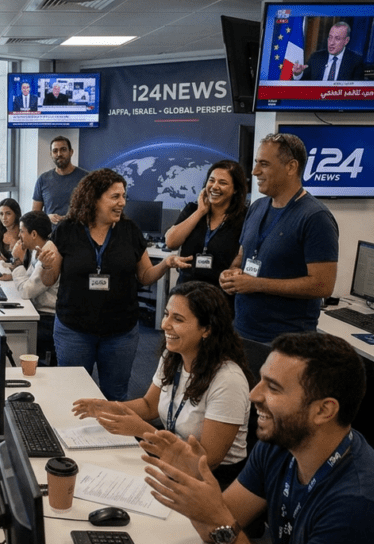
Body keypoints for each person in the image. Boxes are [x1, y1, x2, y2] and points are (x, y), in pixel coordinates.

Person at [139, 332, 374, 544]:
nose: (254, 395)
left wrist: (218, 520)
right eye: (261, 381)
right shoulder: (279, 445)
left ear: (323, 411)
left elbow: (221, 527)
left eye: (273, 388)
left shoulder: (359, 508)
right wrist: (197, 483)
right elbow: (214, 530)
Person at [72, 281, 252, 488]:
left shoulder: (228, 380)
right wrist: (111, 408)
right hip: (170, 457)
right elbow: (149, 405)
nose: (165, 324)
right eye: (167, 314)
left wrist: (144, 431)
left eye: (178, 319)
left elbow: (207, 462)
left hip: (212, 478)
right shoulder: (173, 356)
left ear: (206, 329)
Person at [41, 169, 191, 400]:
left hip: (120, 332)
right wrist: (47, 266)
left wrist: (166, 264)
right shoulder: (67, 230)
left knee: (115, 395)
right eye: (115, 197)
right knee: (73, 395)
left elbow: (145, 276)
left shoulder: (129, 231)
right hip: (74, 329)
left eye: (123, 196)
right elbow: (48, 280)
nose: (122, 202)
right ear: (93, 198)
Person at [218, 133, 338, 344]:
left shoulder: (315, 217)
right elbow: (243, 254)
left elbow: (322, 286)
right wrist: (232, 274)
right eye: (256, 163)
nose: (254, 171)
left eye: (264, 164)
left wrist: (256, 284)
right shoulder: (257, 207)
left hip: (286, 342)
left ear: (291, 167)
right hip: (242, 331)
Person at [165, 160, 248, 303]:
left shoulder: (244, 217)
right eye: (212, 180)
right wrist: (200, 211)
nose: (215, 186)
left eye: (222, 182)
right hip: (186, 294)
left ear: (235, 189)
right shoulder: (192, 209)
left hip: (219, 298)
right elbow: (171, 242)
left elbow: (245, 252)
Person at [9, 210, 58, 366]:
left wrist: (17, 260)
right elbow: (28, 281)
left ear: (34, 234)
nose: (19, 236)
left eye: (22, 232)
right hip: (40, 313)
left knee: (8, 330)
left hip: (47, 319)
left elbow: (26, 291)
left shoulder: (48, 253)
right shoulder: (38, 250)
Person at [31, 136, 88, 225]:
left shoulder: (86, 178)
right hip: (51, 236)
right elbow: (34, 213)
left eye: (63, 149)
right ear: (51, 154)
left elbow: (95, 209)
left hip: (79, 234)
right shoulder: (43, 179)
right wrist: (47, 217)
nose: (59, 154)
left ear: (71, 152)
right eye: (55, 151)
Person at [292, 22, 365, 81]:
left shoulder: (355, 61)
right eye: (330, 37)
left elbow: (357, 92)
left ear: (346, 41)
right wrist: (298, 74)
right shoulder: (316, 57)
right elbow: (303, 84)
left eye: (337, 38)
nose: (331, 42)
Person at [0, 197, 21, 266]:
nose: (4, 218)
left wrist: (2, 261)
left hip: (21, 272)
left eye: (8, 213)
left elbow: (24, 263)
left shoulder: (23, 232)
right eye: (1, 214)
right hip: (4, 270)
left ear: (16, 214)